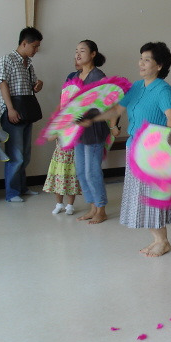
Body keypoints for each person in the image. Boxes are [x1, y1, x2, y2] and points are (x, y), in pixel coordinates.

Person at [81, 42, 171, 256]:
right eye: (140, 58)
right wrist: (94, 118)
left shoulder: (163, 90)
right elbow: (117, 109)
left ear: (159, 65)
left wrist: (169, 147)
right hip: (134, 148)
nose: (141, 63)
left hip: (154, 152)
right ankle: (157, 238)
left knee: (153, 198)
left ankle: (163, 241)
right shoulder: (136, 87)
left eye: (147, 60)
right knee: (142, 197)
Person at [0, 27, 43, 202]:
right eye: (35, 46)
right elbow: (3, 85)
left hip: (26, 111)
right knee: (15, 155)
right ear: (24, 43)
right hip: (12, 111)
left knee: (25, 154)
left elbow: (32, 87)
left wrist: (38, 85)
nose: (36, 50)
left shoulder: (29, 64)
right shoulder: (6, 59)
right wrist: (10, 109)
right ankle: (12, 193)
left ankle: (22, 188)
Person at [73, 40, 112, 224]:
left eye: (82, 51)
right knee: (81, 171)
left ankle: (101, 208)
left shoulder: (98, 75)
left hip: (94, 128)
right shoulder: (75, 76)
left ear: (93, 54)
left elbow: (109, 101)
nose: (78, 54)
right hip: (78, 130)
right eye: (76, 51)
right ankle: (92, 207)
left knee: (92, 171)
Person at [44, 68, 82, 215]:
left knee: (71, 181)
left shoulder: (77, 118)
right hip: (59, 157)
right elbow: (49, 136)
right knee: (58, 181)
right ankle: (59, 203)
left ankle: (70, 205)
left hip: (72, 156)